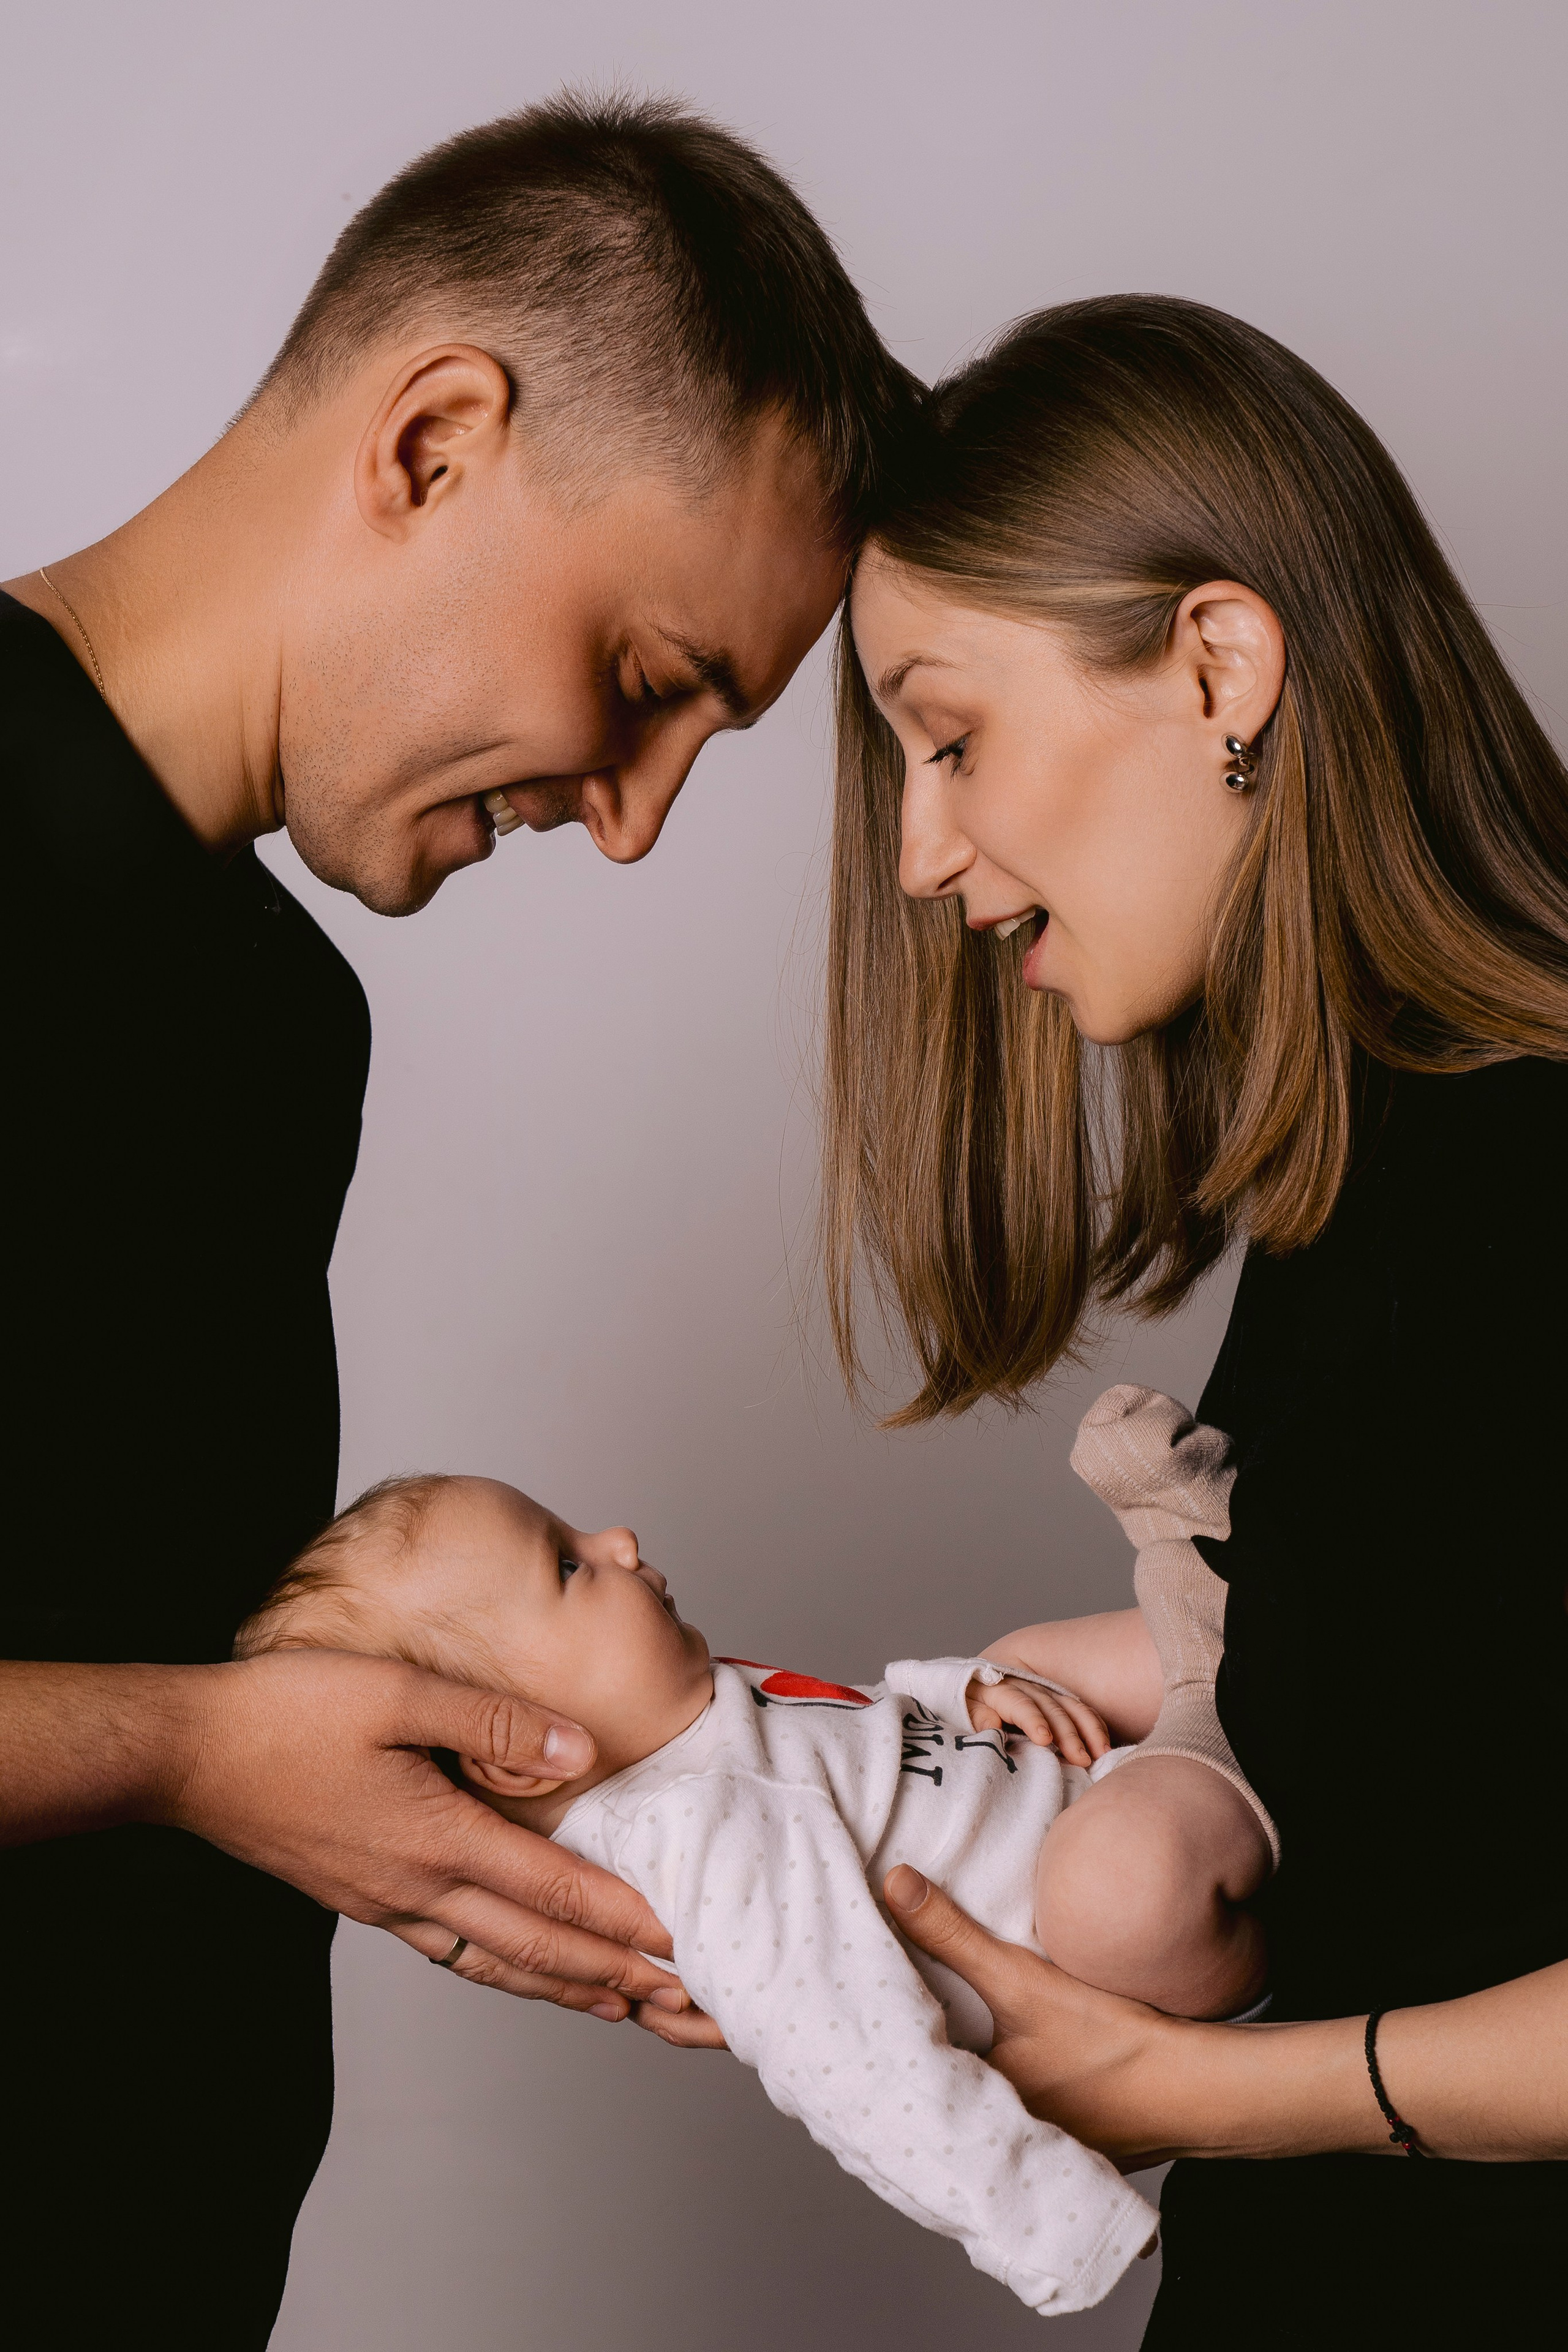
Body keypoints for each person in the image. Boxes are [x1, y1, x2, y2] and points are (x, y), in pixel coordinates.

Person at [0, 91, 914, 2349]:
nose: (629, 821)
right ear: (435, 444)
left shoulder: (278, 1018)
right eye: (645, 678)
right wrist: (206, 1753)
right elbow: (184, 1737)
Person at [824, 295, 1568, 2345]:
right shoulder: (1370, 1190)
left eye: (950, 736)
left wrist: (1212, 2099)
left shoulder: (1525, 1176)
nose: (920, 853)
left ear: (1222, 666)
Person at [227, 1403, 1268, 2316]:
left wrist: (966, 1693)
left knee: (1029, 1656)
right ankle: (1241, 1722)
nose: (621, 1538)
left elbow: (860, 1730)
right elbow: (853, 2060)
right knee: (1116, 1888)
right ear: (509, 1748)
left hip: (1082, 1782)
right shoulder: (697, 1837)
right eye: (568, 1563)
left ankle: (1259, 1632)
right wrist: (1044, 2216)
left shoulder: (693, 1706)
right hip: (1104, 1947)